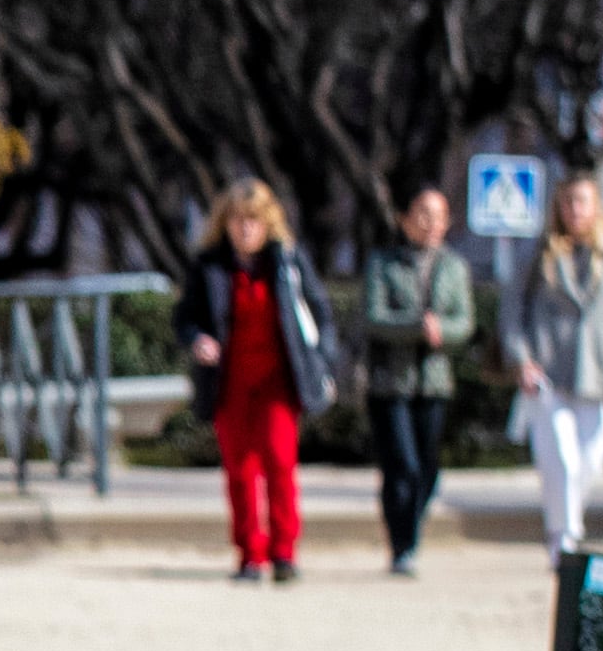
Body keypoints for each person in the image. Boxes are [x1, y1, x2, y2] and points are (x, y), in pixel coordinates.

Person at [504, 170, 603, 558]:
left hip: (596, 376)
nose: (574, 210)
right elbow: (512, 311)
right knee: (559, 455)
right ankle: (565, 538)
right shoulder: (540, 254)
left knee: (593, 457)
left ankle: (563, 521)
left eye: (582, 202)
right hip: (548, 375)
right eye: (567, 202)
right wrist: (521, 359)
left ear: (596, 208)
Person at [183, 177, 335, 586]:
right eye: (237, 221)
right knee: (240, 468)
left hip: (279, 382)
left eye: (252, 220)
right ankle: (251, 554)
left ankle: (284, 552)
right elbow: (186, 317)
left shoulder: (287, 262)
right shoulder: (209, 266)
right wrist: (198, 339)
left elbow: (320, 312)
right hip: (230, 382)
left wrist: (324, 362)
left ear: (268, 223)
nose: (245, 229)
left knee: (280, 464)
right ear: (224, 224)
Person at [358, 182, 480, 576]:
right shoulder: (384, 263)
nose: (430, 224)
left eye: (439, 216)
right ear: (405, 219)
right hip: (390, 382)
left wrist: (443, 329)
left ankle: (411, 528)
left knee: (427, 467)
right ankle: (401, 544)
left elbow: (464, 322)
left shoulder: (454, 267)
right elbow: (373, 317)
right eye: (422, 214)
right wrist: (416, 327)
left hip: (434, 380)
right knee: (402, 465)